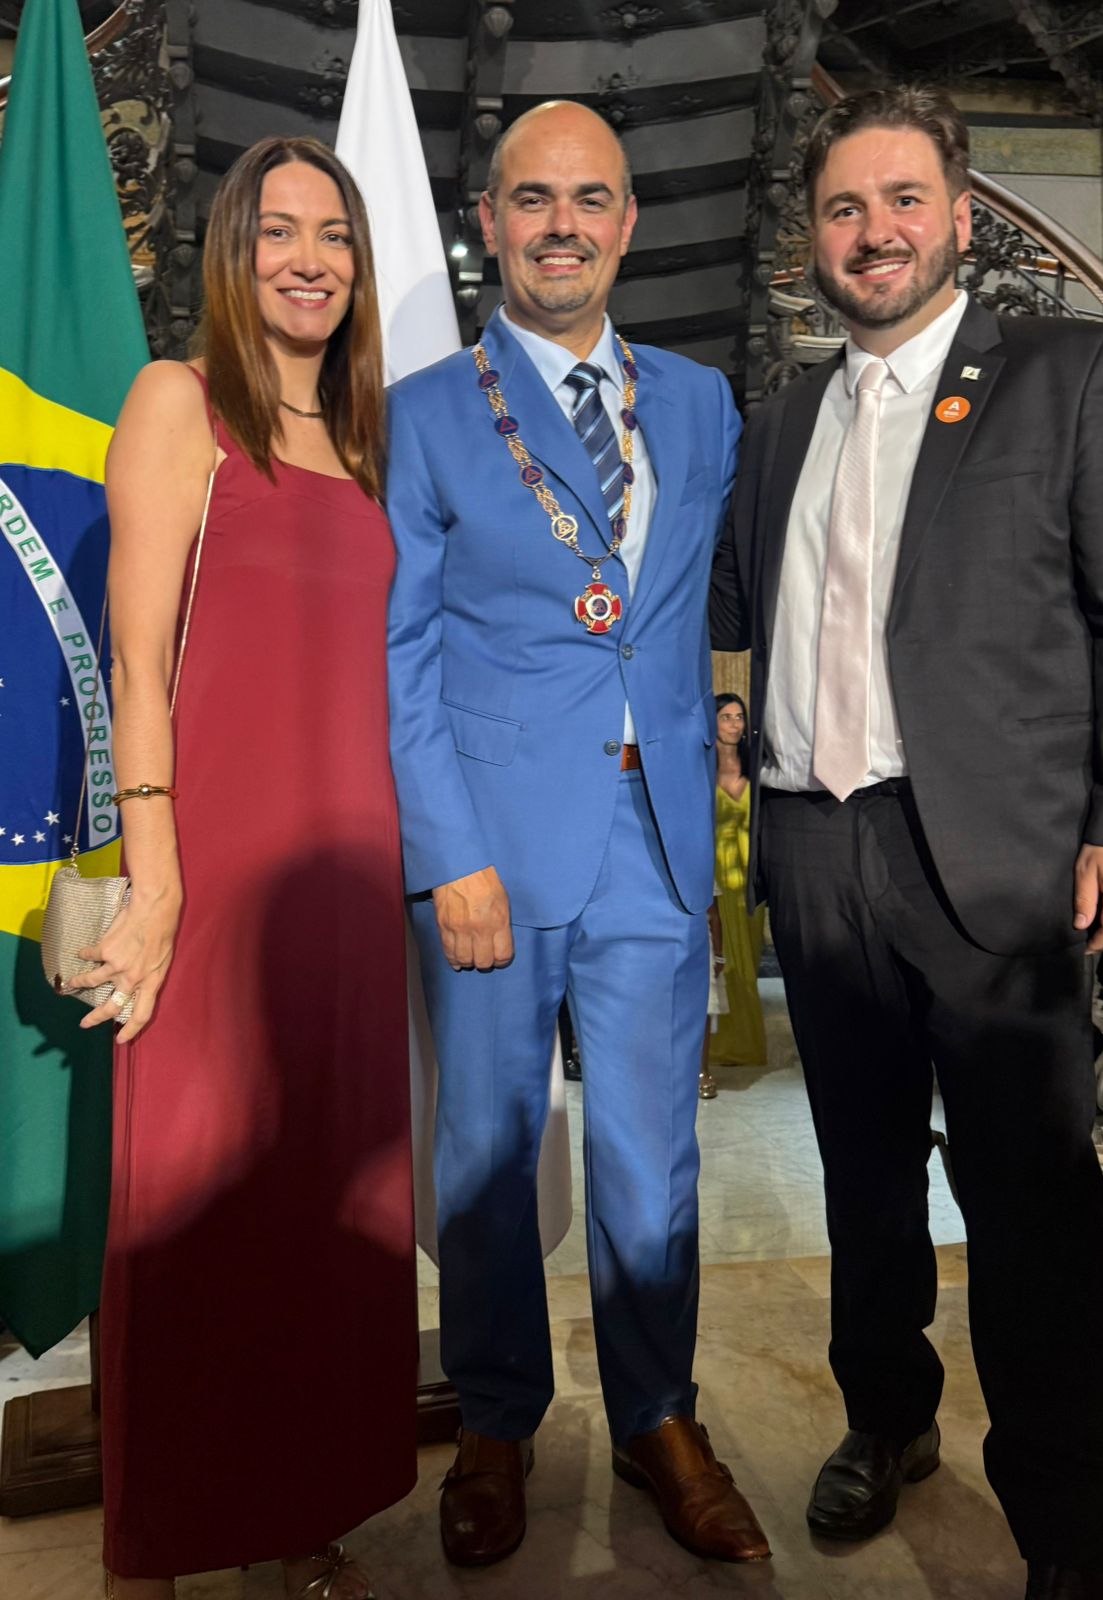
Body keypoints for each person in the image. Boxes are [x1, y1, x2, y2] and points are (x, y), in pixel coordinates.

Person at [710, 85, 1103, 1600]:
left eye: (904, 199)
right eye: (846, 207)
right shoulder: (777, 424)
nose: (876, 232)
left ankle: (1062, 1526)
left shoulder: (1071, 372)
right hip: (817, 851)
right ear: (814, 237)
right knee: (861, 1177)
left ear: (963, 219)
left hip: (994, 858)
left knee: (1030, 1202)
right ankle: (888, 1418)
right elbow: (732, 616)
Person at [384, 100, 769, 1567]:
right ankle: (496, 1421)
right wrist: (444, 852)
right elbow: (400, 651)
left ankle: (658, 1414)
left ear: (627, 222)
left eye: (590, 198)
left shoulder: (701, 403)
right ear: (489, 222)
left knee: (652, 1157)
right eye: (533, 199)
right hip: (490, 842)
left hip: (654, 836)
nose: (563, 225)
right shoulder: (426, 410)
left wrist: (728, 730)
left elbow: (707, 601)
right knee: (487, 1151)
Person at [72, 137, 417, 1599]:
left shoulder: (369, 438)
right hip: (212, 873)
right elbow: (137, 664)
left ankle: (300, 1509)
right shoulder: (180, 401)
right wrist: (159, 882)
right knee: (190, 1203)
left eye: (333, 233)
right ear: (232, 250)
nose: (309, 259)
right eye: (278, 230)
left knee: (321, 1206)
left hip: (347, 886)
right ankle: (156, 1545)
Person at [709, 693, 767, 1066]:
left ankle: (747, 1043)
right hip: (714, 874)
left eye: (739, 716)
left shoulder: (755, 767)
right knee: (723, 961)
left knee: (749, 962)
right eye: (726, 717)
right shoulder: (702, 769)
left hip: (749, 878)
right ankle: (719, 1045)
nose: (734, 724)